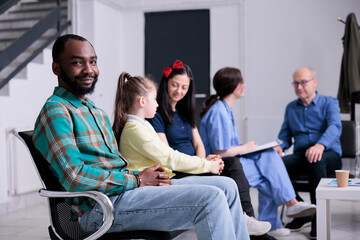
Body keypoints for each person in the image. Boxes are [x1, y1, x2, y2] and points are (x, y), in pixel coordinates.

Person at [32, 34, 249, 240]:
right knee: (210, 199)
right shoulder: (56, 111)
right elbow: (75, 177)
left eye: (93, 62)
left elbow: (114, 166)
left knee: (227, 186)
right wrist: (137, 180)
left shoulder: (94, 111)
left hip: (126, 193)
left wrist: (144, 176)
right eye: (78, 63)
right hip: (101, 209)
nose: (89, 70)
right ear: (56, 68)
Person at [111, 71, 253, 239]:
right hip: (148, 188)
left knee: (228, 185)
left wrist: (204, 162)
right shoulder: (134, 130)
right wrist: (207, 165)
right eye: (155, 99)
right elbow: (170, 158)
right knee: (214, 194)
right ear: (142, 101)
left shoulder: (143, 126)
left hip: (163, 182)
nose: (157, 104)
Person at [147, 60, 273, 239]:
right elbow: (167, 154)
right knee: (229, 170)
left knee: (230, 163)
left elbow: (198, 144)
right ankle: (247, 221)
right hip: (179, 170)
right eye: (175, 85)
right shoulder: (157, 115)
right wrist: (200, 164)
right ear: (165, 83)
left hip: (196, 165)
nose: (179, 91)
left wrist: (203, 161)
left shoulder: (184, 113)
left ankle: (247, 218)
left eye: (184, 87)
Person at [199, 67, 317, 238]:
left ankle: (276, 220)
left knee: (268, 164)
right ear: (233, 86)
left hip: (231, 162)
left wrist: (246, 147)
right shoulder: (219, 112)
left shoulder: (224, 109)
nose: (245, 85)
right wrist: (246, 148)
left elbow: (228, 146)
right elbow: (220, 151)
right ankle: (290, 204)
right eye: (241, 82)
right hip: (220, 166)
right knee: (268, 169)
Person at [274, 67, 342, 239]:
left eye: (303, 82)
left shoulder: (329, 102)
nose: (299, 87)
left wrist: (320, 145)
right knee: (275, 165)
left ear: (314, 82)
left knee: (315, 159)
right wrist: (279, 146)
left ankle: (319, 219)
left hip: (328, 154)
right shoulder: (291, 108)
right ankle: (304, 211)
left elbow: (335, 127)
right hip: (302, 154)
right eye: (295, 83)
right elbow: (284, 136)